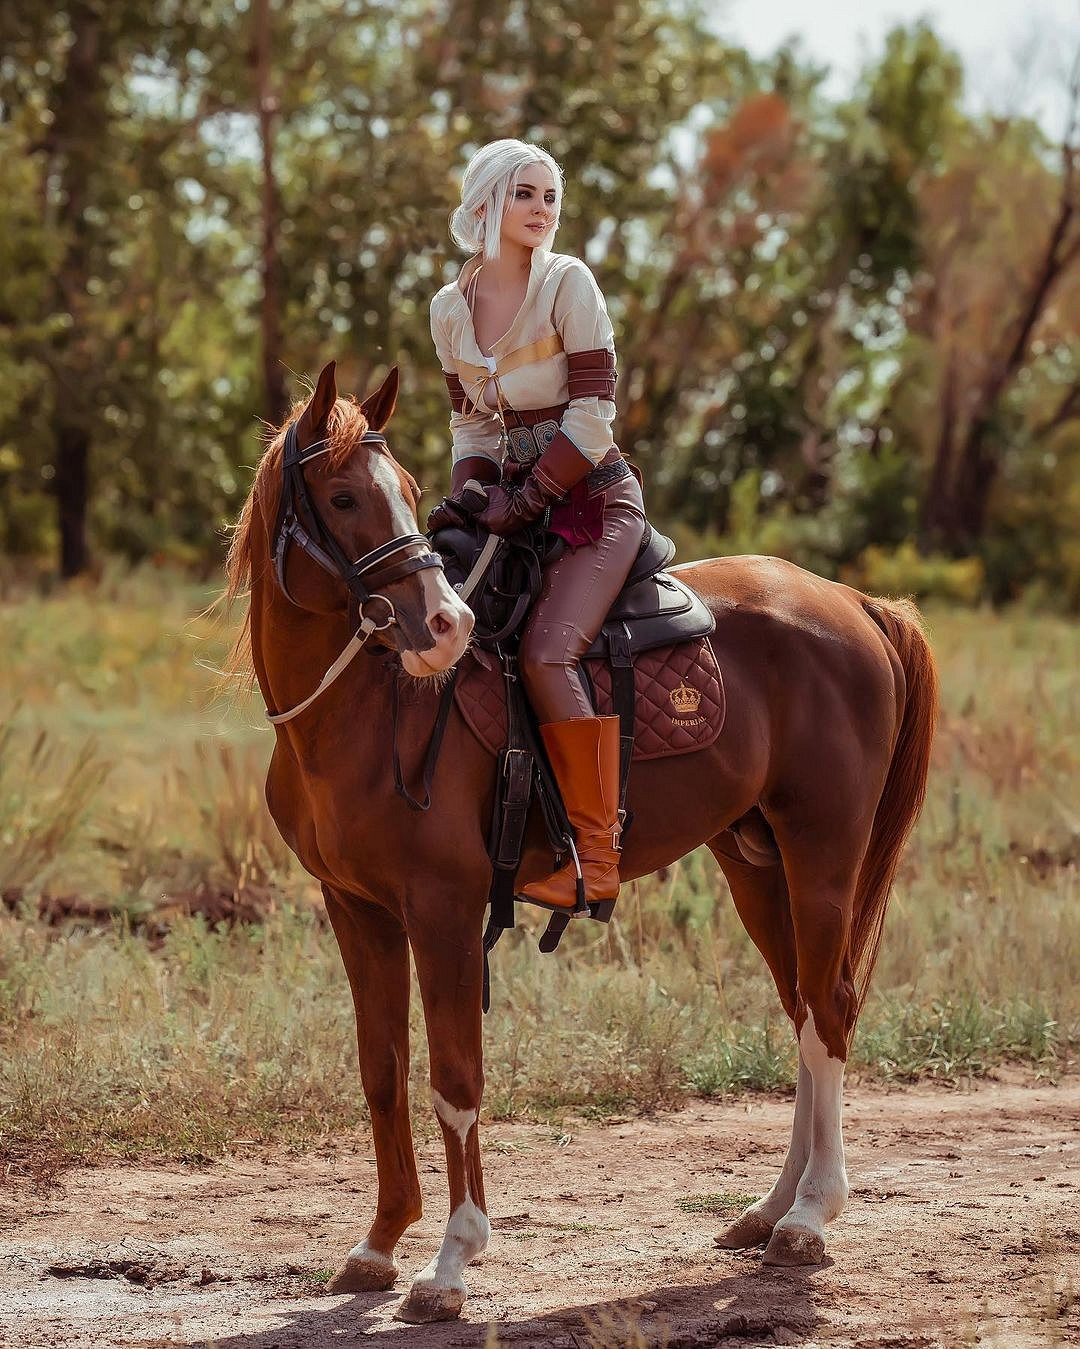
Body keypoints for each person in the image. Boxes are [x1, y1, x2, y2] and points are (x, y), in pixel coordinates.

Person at [427, 138, 646, 912]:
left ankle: (597, 855)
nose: (542, 211)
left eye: (550, 196)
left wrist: (530, 496)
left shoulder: (568, 283)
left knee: (550, 652)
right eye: (526, 194)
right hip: (513, 506)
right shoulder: (447, 310)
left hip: (593, 504)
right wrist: (472, 494)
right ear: (485, 201)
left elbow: (594, 415)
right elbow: (472, 430)